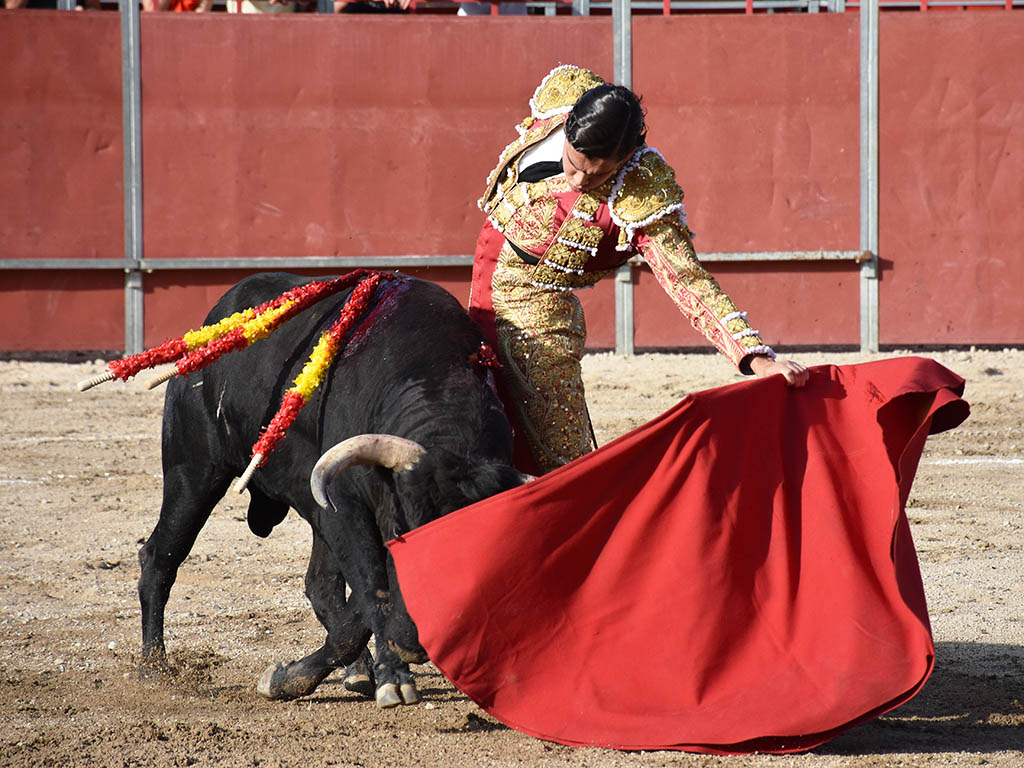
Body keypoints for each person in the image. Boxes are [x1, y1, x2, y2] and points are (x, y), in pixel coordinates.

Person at [469, 64, 809, 474]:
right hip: (480, 291)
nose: (578, 180)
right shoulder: (563, 96)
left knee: (558, 459)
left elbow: (686, 279)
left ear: (625, 158)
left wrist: (756, 358)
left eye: (598, 175)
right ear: (568, 123)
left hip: (534, 323)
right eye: (573, 163)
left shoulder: (639, 192)